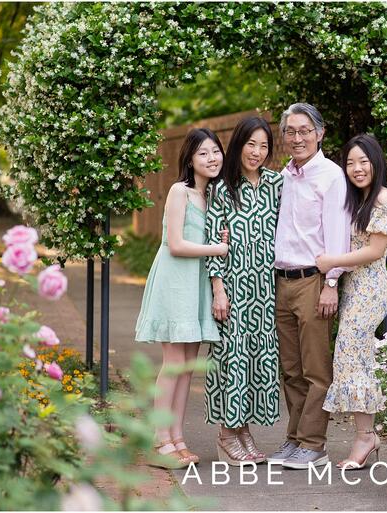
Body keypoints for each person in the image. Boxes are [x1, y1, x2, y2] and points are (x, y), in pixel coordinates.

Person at [135, 128, 229, 468]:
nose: (211, 158)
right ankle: (160, 442)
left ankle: (177, 438)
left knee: (188, 368)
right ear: (190, 159)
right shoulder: (180, 191)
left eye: (215, 151)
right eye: (203, 153)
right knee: (173, 364)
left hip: (197, 284)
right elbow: (175, 243)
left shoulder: (215, 197)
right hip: (175, 281)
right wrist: (217, 248)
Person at [269, 103, 351, 469]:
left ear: (320, 133)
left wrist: (331, 283)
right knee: (291, 368)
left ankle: (314, 444)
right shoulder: (283, 176)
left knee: (316, 368)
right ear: (283, 136)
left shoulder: (331, 176)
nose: (297, 137)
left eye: (305, 130)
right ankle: (295, 437)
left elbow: (338, 234)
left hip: (314, 282)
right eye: (291, 131)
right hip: (282, 281)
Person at [316, 133, 387, 470]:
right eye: (350, 163)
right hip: (354, 288)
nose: (356, 168)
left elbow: (375, 251)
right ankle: (367, 434)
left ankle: (366, 437)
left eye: (363, 161)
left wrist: (332, 262)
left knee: (350, 356)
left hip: (371, 290)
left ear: (375, 162)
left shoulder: (382, 198)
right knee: (356, 359)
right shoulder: (358, 198)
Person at [204, 116, 283, 465]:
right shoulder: (221, 188)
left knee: (256, 360)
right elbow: (211, 240)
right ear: (239, 144)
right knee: (230, 361)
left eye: (264, 145)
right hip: (233, 288)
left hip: (264, 290)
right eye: (251, 144)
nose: (257, 152)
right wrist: (218, 290)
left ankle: (244, 430)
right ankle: (226, 435)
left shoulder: (276, 184)